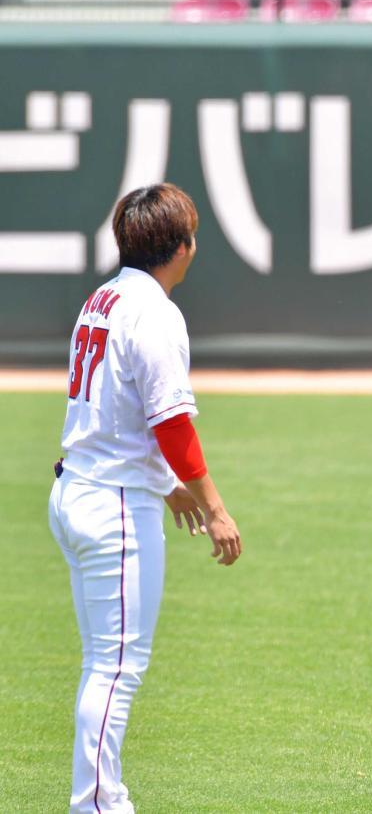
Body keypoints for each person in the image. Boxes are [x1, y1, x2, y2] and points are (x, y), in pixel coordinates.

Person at [48, 183, 242, 813]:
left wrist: (164, 484)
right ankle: (99, 805)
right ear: (180, 246)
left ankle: (98, 801)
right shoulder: (155, 312)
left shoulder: (100, 298)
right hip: (113, 509)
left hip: (78, 487)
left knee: (102, 664)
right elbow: (171, 423)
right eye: (193, 233)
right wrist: (214, 507)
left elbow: (115, 416)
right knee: (116, 669)